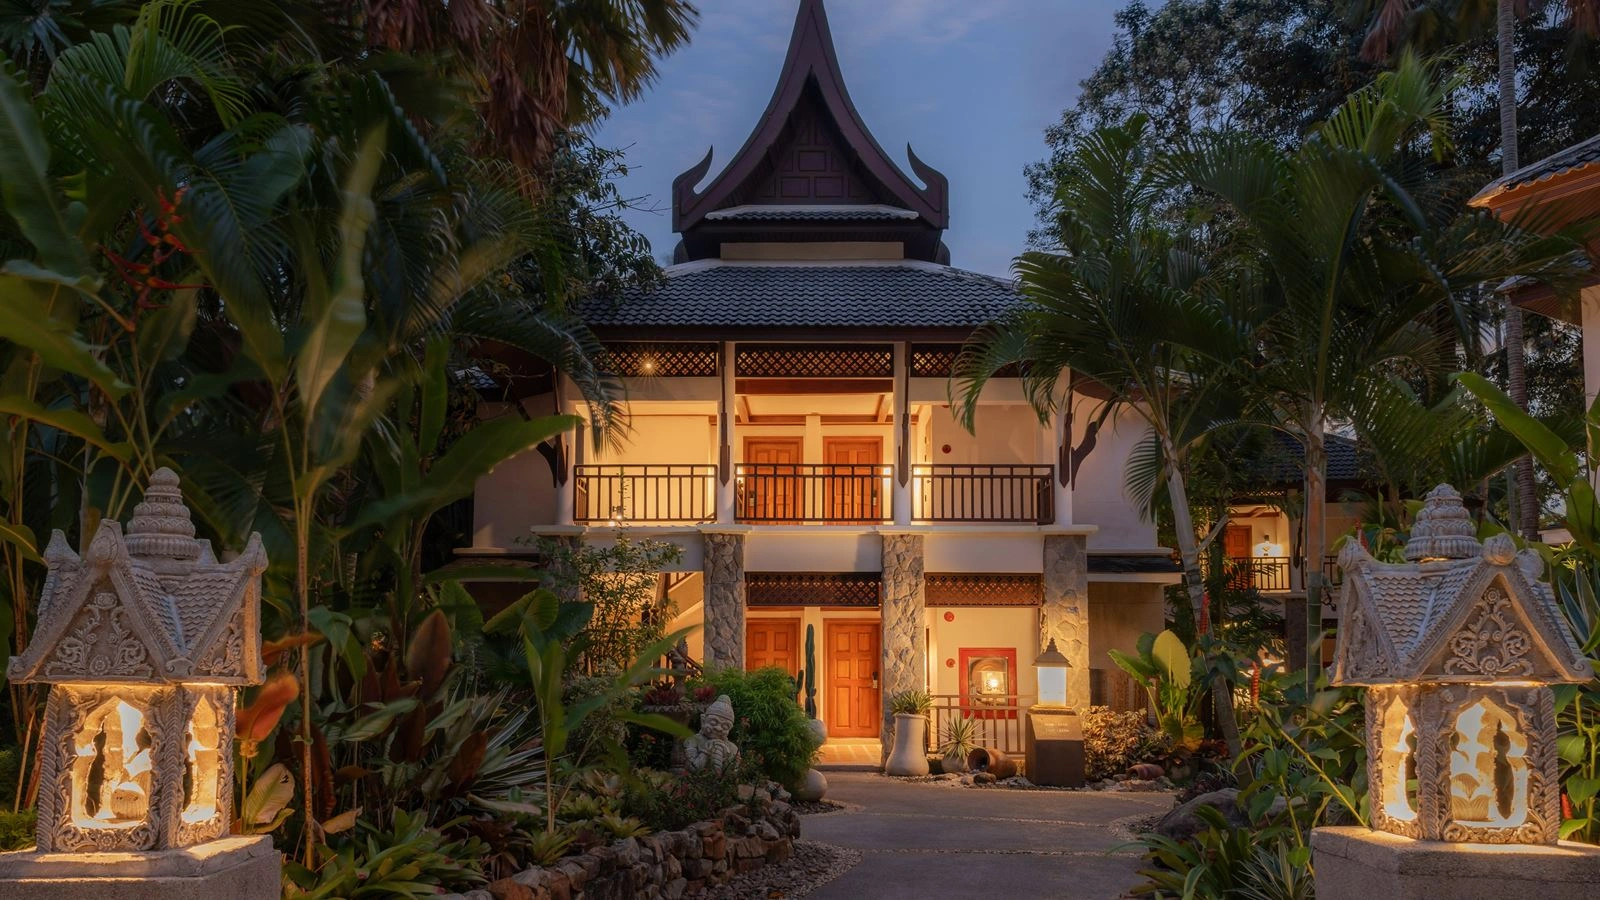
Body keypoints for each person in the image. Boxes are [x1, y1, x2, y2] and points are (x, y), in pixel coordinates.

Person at [685, 694, 740, 773]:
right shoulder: (693, 740)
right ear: (703, 721)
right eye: (714, 722)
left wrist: (725, 757)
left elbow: (734, 774)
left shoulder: (733, 749)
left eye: (725, 726)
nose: (718, 728)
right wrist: (706, 751)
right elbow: (692, 769)